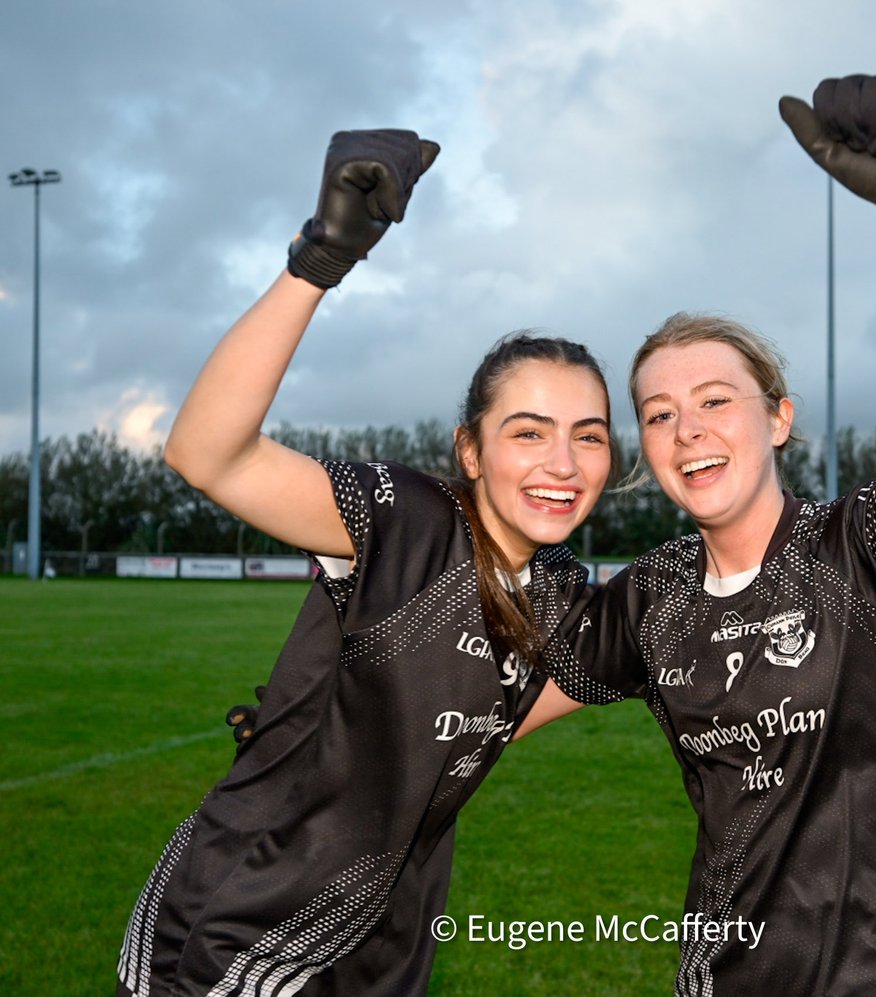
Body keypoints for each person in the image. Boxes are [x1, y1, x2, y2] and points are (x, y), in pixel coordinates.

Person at [523, 74, 876, 995]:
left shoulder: (857, 549)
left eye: (717, 401)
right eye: (661, 414)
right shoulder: (652, 594)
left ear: (778, 418)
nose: (690, 430)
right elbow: (492, 706)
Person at [117, 129, 615, 996]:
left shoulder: (565, 592)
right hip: (237, 933)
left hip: (383, 948)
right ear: (470, 449)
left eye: (589, 437)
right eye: (527, 433)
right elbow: (207, 453)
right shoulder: (407, 521)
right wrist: (322, 257)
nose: (562, 464)